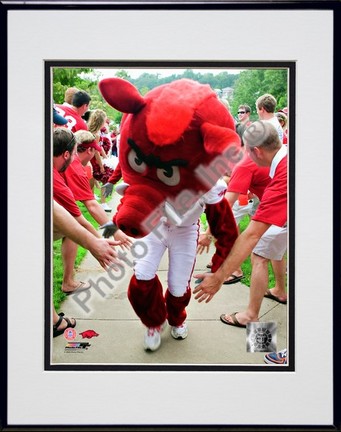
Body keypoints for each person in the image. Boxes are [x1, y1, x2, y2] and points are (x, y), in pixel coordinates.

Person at [193, 121, 288, 329]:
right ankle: (280, 291)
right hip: (286, 219)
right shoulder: (285, 157)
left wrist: (218, 277)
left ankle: (251, 317)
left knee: (259, 256)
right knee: (272, 251)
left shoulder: (279, 175)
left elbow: (251, 234)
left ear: (256, 151)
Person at [52, 200, 121, 337]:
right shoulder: (75, 178)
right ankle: (53, 321)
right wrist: (96, 244)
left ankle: (68, 283)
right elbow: (88, 210)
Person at [62, 130, 132, 249]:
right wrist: (114, 232)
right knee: (73, 225)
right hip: (47, 215)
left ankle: (68, 268)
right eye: (94, 151)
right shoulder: (76, 167)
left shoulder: (68, 159)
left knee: (72, 226)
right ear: (90, 150)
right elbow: (92, 205)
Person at [87, 109, 114, 212]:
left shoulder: (92, 130)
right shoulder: (96, 134)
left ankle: (92, 198)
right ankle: (103, 203)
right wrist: (101, 165)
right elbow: (96, 150)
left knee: (92, 179)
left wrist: (105, 156)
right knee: (105, 178)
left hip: (92, 158)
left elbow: (100, 147)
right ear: (101, 121)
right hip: (94, 159)